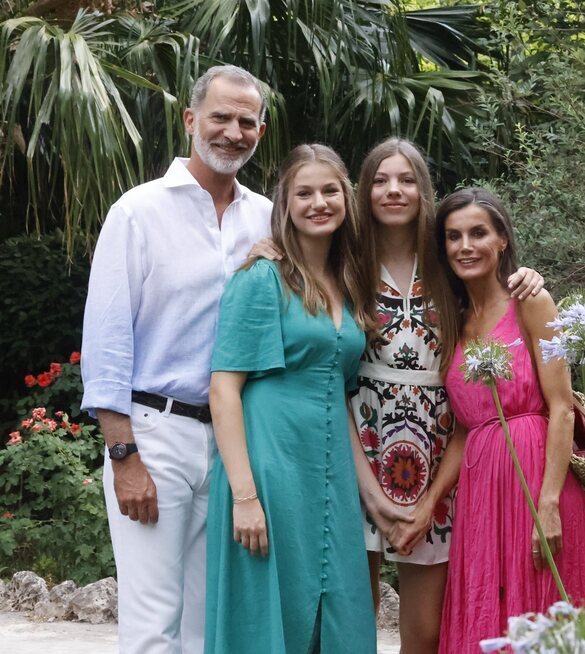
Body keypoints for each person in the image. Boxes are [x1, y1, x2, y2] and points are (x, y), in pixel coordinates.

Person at [249, 138, 542, 653]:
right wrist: (267, 248)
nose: (393, 190)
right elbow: (327, 375)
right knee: (346, 619)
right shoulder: (343, 262)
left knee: (424, 632)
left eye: (406, 179)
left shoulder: (449, 266)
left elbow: (495, 295)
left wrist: (529, 277)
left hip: (435, 454)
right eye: (381, 179)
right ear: (363, 191)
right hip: (354, 448)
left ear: (423, 189)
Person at [81, 65, 273, 654]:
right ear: (191, 120)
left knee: (209, 622)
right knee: (152, 624)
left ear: (260, 132)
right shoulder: (138, 212)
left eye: (247, 121)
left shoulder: (268, 218)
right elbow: (107, 339)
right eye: (220, 117)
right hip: (154, 433)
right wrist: (123, 455)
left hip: (234, 440)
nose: (232, 132)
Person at [206, 144, 378, 653]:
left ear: (346, 199)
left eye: (329, 191)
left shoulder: (348, 283)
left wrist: (371, 492)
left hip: (330, 474)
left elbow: (340, 393)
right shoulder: (261, 278)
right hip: (269, 466)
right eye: (304, 193)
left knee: (341, 608)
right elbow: (223, 390)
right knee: (267, 615)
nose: (318, 202)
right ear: (285, 204)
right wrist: (245, 497)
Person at [429, 187, 585, 652]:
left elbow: (561, 407)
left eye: (478, 233)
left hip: (539, 478)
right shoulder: (454, 320)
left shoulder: (531, 301)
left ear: (502, 239)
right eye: (453, 236)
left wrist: (548, 504)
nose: (465, 246)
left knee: (543, 610)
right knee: (487, 613)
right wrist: (429, 504)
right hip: (481, 492)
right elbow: (468, 427)